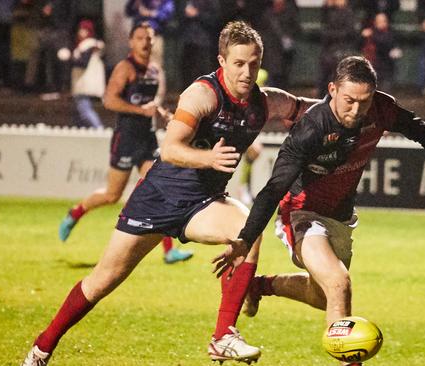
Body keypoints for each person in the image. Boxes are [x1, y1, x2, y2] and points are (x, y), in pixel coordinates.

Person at [22, 21, 318, 365]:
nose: (247, 71)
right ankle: (42, 348)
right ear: (222, 61)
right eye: (238, 63)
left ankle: (223, 336)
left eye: (254, 63)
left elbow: (304, 107)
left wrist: (346, 106)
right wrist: (208, 157)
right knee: (101, 282)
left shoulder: (265, 102)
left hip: (202, 204)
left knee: (248, 231)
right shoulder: (203, 94)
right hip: (158, 199)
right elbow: (172, 149)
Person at [216, 57, 425, 364]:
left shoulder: (380, 108)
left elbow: (421, 129)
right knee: (339, 282)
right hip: (301, 213)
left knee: (323, 296)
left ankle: (261, 286)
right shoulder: (311, 129)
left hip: (341, 216)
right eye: (349, 101)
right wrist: (245, 239)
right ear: (332, 90)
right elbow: (272, 189)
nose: (356, 110)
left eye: (364, 102)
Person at [58, 22, 192, 264]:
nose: (145, 42)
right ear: (131, 42)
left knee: (160, 190)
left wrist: (163, 114)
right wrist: (139, 110)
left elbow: (152, 103)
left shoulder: (155, 70)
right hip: (127, 138)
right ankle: (75, 213)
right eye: (140, 37)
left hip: (148, 138)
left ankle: (169, 251)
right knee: (112, 194)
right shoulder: (125, 68)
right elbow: (109, 100)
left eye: (149, 38)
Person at [70, 19, 106, 129]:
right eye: (80, 30)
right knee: (79, 112)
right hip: (83, 83)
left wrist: (68, 59)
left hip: (85, 83)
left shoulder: (89, 45)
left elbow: (83, 63)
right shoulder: (85, 45)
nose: (81, 32)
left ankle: (99, 130)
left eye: (84, 30)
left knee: (85, 110)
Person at [125, 0, 175, 70]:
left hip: (154, 36)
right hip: (138, 36)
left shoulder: (165, 2)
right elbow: (128, 12)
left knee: (155, 66)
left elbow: (166, 15)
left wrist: (150, 13)